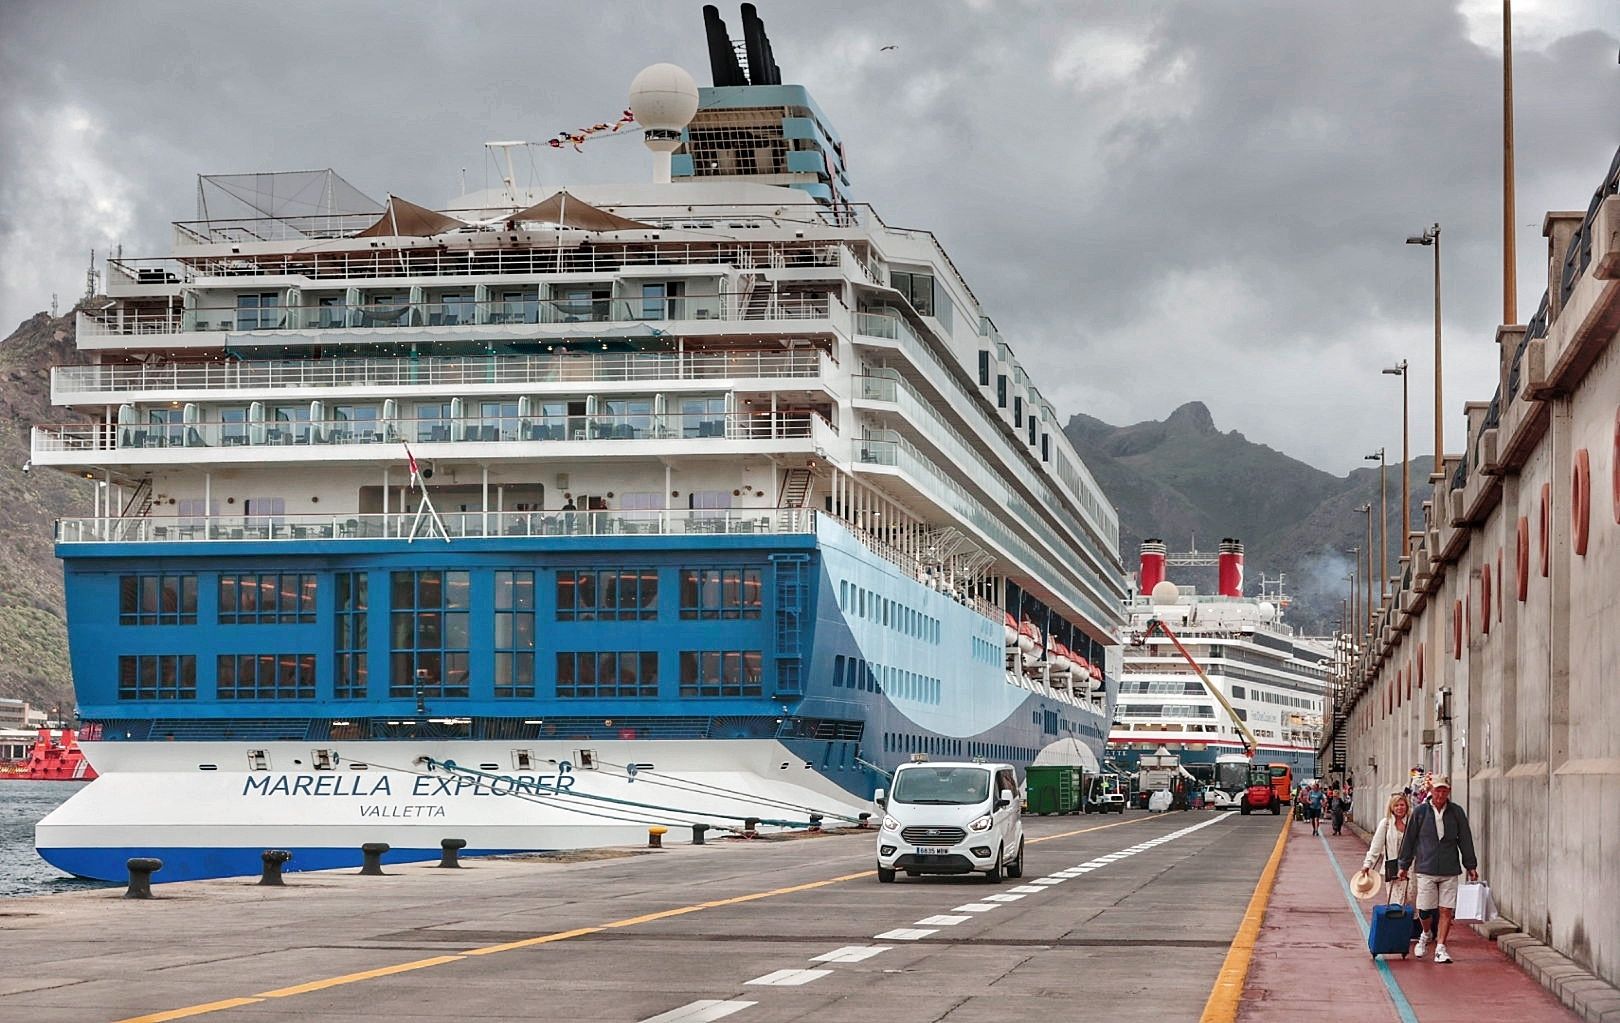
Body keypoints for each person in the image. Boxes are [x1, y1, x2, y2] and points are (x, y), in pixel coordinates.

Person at [1397, 776, 1478, 964]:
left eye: (1444, 791)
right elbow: (1409, 840)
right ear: (1431, 791)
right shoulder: (1420, 812)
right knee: (1425, 909)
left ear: (1448, 792)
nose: (1440, 794)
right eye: (1437, 790)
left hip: (1450, 868)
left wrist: (1470, 865)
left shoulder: (1456, 812)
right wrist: (1403, 865)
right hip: (1426, 867)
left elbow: (1465, 839)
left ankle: (1441, 947)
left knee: (1446, 910)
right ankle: (1426, 933)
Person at [1361, 790, 1411, 902]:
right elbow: (1376, 846)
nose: (1399, 808)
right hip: (1393, 867)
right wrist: (1367, 864)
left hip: (1411, 868)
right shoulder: (1386, 823)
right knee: (1395, 901)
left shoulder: (1412, 822)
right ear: (1391, 808)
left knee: (1411, 902)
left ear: (1407, 806)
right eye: (1396, 805)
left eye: (1402, 805)